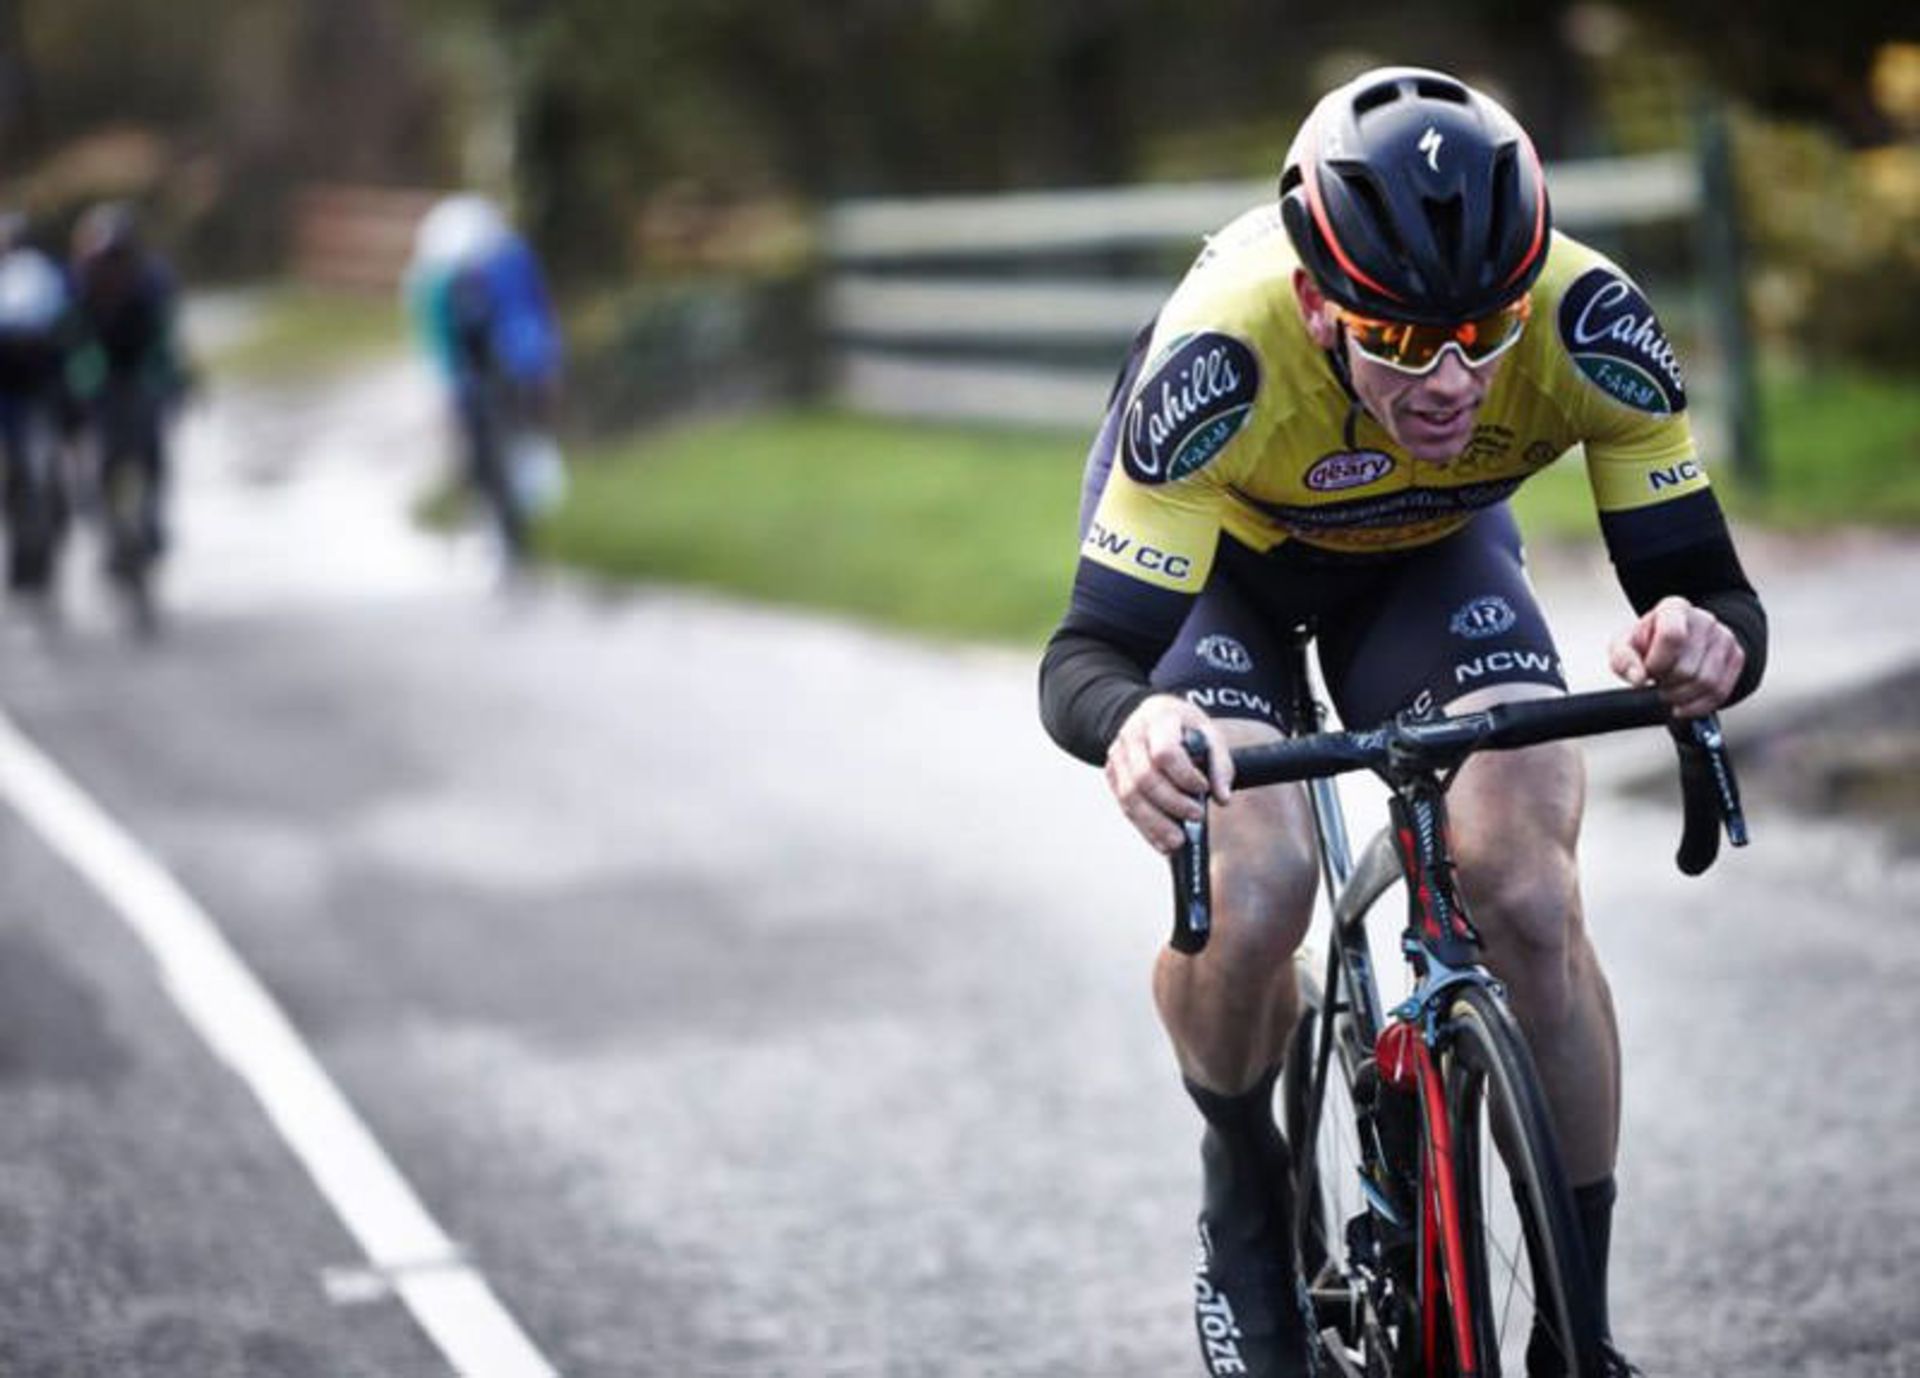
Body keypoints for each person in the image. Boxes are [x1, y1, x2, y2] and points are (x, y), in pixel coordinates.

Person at [1038, 67, 1766, 1378]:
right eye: (1404, 338)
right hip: (1223, 569)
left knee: (1526, 891)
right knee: (1259, 887)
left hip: (1426, 555)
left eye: (1485, 331)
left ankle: (1576, 1324)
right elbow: (1087, 657)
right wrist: (1137, 721)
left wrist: (1703, 639)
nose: (1454, 378)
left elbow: (1711, 594)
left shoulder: (1586, 320)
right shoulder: (1220, 357)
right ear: (1321, 302)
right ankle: (1244, 1178)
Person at [403, 193, 565, 567]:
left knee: (515, 449)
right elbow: (439, 342)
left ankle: (514, 533)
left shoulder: (507, 263)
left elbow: (530, 322)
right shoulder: (439, 278)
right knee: (482, 457)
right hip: (475, 383)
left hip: (510, 377)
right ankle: (494, 525)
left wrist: (541, 369)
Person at [67, 201, 191, 573]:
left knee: (148, 453)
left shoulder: (151, 275)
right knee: (108, 457)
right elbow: (74, 333)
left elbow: (165, 329)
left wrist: (170, 375)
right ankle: (113, 534)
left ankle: (149, 523)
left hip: (140, 374)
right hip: (105, 377)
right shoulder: (83, 277)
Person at [0, 227, 79, 593]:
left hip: (20, 385)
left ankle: (28, 558)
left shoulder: (32, 276)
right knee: (43, 465)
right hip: (44, 379)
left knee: (22, 470)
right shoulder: (52, 274)